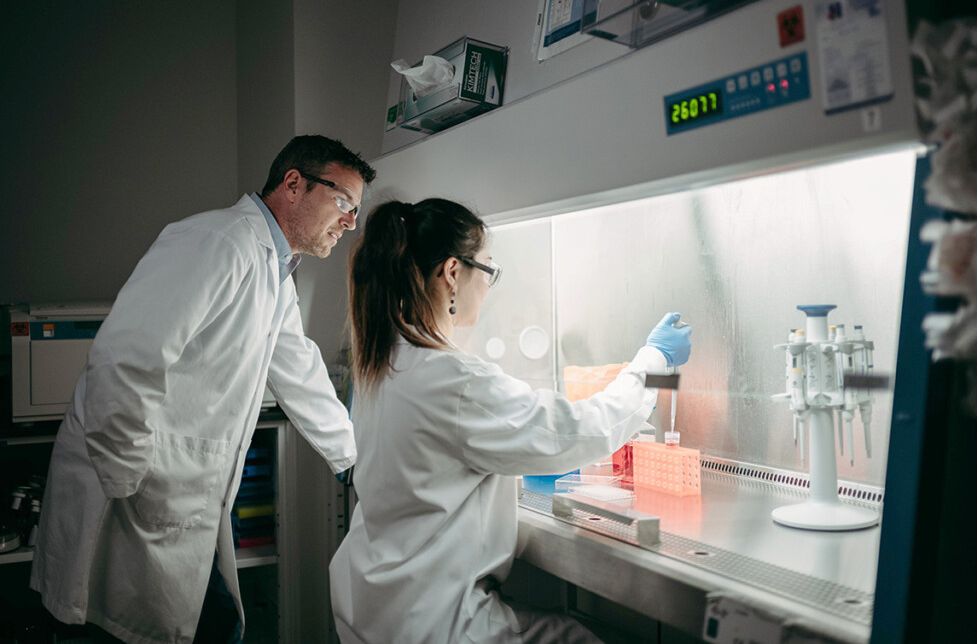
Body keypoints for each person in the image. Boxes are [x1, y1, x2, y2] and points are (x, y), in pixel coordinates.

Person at [30, 134, 376, 644]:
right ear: (294, 184)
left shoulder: (274, 269)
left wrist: (356, 458)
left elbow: (296, 365)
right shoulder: (218, 240)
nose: (350, 222)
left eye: (355, 210)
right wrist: (129, 480)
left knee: (214, 624)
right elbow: (127, 357)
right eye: (344, 201)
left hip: (182, 499)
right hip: (132, 494)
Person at [330, 198, 693, 643]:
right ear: (451, 274)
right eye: (488, 271)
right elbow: (578, 430)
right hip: (434, 624)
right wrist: (653, 364)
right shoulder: (453, 379)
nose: (488, 285)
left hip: (373, 607)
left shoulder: (381, 364)